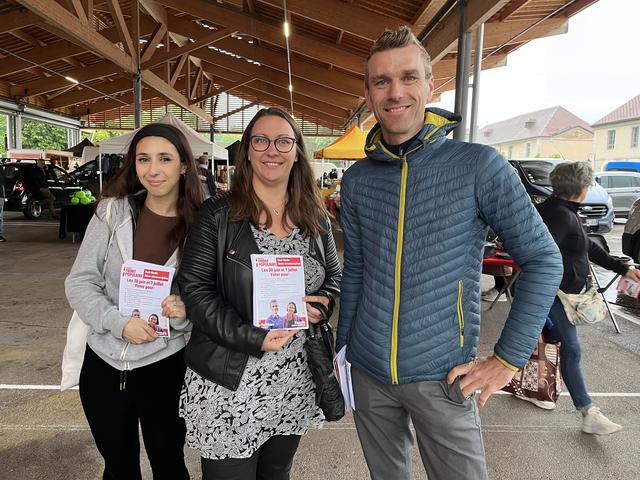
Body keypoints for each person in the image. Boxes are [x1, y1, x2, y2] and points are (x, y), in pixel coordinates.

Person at [336, 26, 563, 480]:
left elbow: (543, 259)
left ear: (430, 85)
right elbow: (357, 272)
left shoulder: (477, 165)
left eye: (407, 77)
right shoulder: (358, 180)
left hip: (444, 374)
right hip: (367, 372)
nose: (395, 91)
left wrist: (506, 360)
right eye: (381, 81)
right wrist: (343, 352)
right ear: (367, 93)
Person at [177, 106, 341, 480]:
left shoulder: (314, 216)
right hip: (229, 381)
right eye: (261, 140)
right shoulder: (218, 214)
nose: (273, 150)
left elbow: (334, 276)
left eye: (284, 140)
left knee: (277, 473)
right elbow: (195, 289)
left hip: (294, 379)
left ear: (296, 150)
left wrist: (324, 304)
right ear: (247, 151)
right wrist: (254, 337)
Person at [65, 123, 203, 480]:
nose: (152, 170)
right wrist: (117, 323)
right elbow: (80, 282)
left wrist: (183, 312)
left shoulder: (201, 226)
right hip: (104, 366)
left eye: (164, 159)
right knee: (119, 467)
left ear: (184, 166)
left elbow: (206, 293)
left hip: (164, 366)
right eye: (143, 159)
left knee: (169, 464)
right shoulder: (111, 213)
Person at [533, 161, 639, 433]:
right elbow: (541, 255)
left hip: (558, 294)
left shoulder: (564, 211)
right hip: (554, 294)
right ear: (581, 187)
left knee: (545, 344)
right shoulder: (559, 215)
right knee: (571, 348)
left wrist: (624, 268)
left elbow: (588, 245)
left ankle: (539, 390)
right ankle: (588, 412)